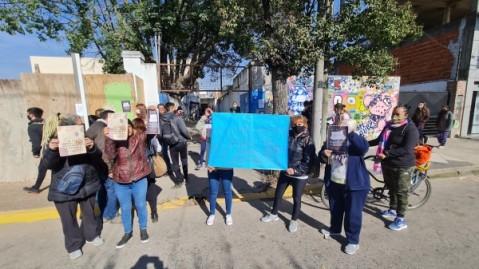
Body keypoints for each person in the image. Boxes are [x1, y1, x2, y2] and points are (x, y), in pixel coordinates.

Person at [42, 114, 103, 260]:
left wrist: (92, 147)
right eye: (79, 125)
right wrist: (52, 151)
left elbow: (97, 156)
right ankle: (73, 245)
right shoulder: (55, 141)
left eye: (82, 125)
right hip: (65, 187)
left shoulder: (84, 137)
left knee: (89, 213)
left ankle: (92, 235)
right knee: (68, 219)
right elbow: (48, 165)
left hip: (86, 184)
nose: (82, 127)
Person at [319, 119, 370, 255]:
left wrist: (350, 133)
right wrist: (324, 154)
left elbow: (362, 149)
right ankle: (335, 229)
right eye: (339, 124)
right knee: (335, 209)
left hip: (354, 184)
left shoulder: (357, 139)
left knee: (353, 214)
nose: (340, 126)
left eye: (344, 125)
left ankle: (353, 241)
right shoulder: (333, 138)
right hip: (335, 181)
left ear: (352, 128)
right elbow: (321, 155)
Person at [261, 115, 315, 233]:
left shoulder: (308, 139)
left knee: (296, 198)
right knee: (278, 194)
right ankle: (274, 214)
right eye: (294, 124)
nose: (297, 126)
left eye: (299, 124)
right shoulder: (289, 135)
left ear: (305, 125)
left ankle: (294, 220)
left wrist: (295, 170)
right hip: (285, 172)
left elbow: (308, 162)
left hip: (299, 175)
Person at [368, 106, 419, 231]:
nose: (394, 116)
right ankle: (392, 210)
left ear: (405, 116)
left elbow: (407, 149)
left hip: (403, 165)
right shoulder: (389, 126)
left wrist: (387, 153)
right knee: (391, 188)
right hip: (388, 163)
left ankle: (401, 219)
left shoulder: (410, 129)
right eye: (393, 113)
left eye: (398, 114)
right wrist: (363, 142)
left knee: (401, 192)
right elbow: (378, 140)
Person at [104, 119, 151, 248]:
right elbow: (109, 156)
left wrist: (152, 114)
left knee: (141, 205)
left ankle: (143, 229)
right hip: (120, 180)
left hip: (139, 178)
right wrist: (109, 139)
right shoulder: (114, 141)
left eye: (129, 126)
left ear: (132, 128)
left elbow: (152, 130)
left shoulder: (139, 138)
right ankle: (127, 233)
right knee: (125, 208)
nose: (127, 129)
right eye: (123, 127)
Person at [85, 110, 120, 224]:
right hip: (104, 164)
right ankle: (110, 214)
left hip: (96, 164)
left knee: (103, 189)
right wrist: (110, 169)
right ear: (108, 118)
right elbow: (105, 151)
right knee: (111, 189)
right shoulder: (102, 128)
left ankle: (104, 212)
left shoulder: (94, 126)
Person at [204, 115, 234, 226]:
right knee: (213, 192)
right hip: (213, 168)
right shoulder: (211, 132)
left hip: (227, 168)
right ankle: (212, 214)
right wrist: (205, 117)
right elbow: (206, 144)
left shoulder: (230, 136)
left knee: (227, 192)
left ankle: (228, 214)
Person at [161, 102, 191, 188]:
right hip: (181, 142)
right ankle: (186, 177)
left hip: (171, 143)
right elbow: (184, 130)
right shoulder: (177, 118)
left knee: (175, 163)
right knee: (184, 160)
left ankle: (178, 181)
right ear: (173, 107)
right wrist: (189, 137)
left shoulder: (163, 118)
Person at [23, 107, 48, 193]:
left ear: (31, 115)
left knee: (42, 168)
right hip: (55, 149)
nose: (27, 115)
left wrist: (35, 152)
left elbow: (36, 142)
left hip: (47, 150)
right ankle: (36, 187)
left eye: (28, 114)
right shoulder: (46, 124)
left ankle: (36, 188)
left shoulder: (33, 127)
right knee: (44, 168)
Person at [157, 103, 172, 174]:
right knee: (160, 154)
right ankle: (163, 168)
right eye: (160, 109)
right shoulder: (156, 117)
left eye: (162, 108)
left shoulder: (168, 116)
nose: (161, 110)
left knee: (164, 153)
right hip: (158, 137)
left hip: (166, 137)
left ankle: (169, 168)